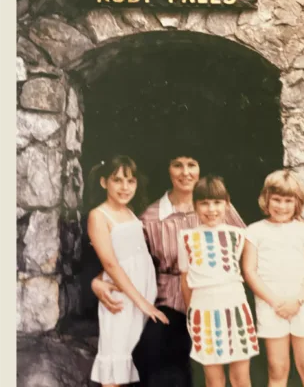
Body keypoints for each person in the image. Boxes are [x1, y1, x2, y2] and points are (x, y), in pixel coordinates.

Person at [91, 148, 245, 386]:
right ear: (168, 169)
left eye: (192, 164)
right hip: (168, 304)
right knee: (159, 360)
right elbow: (128, 255)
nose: (185, 172)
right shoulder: (150, 217)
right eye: (177, 165)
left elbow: (248, 247)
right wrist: (97, 280)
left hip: (213, 301)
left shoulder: (218, 208)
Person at [87, 154, 169, 387]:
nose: (125, 187)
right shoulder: (99, 215)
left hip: (142, 291)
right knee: (116, 361)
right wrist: (142, 302)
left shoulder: (131, 212)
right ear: (104, 183)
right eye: (117, 180)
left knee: (130, 359)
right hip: (123, 295)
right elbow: (111, 263)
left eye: (130, 181)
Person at [242, 170, 304, 387]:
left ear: (297, 203)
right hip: (271, 306)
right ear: (266, 199)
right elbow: (250, 271)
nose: (282, 206)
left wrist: (296, 300)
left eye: (288, 201)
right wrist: (276, 302)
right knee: (277, 369)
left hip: (302, 304)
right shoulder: (255, 231)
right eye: (276, 200)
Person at [178, 175, 259, 387]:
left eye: (217, 202)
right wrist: (191, 313)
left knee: (240, 377)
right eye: (204, 203)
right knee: (214, 379)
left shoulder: (240, 234)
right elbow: (185, 280)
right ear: (194, 206)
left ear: (227, 203)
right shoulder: (186, 237)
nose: (211, 209)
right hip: (202, 312)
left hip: (235, 309)